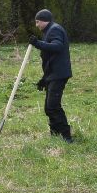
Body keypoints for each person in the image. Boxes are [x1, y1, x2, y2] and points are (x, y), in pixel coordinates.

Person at [29, 8, 73, 141]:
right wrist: (44, 78)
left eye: (38, 22)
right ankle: (54, 134)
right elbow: (50, 58)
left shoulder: (55, 29)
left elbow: (57, 46)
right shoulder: (48, 31)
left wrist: (38, 43)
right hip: (53, 74)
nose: (36, 25)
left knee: (53, 106)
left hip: (59, 74)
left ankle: (66, 136)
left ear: (44, 20)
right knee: (48, 107)